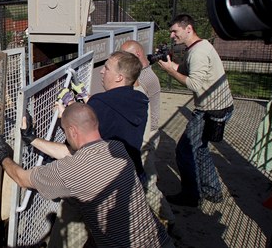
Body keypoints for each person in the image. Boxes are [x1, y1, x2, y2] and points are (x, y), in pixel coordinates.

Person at [0, 103, 173, 248]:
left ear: (72, 132)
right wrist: (33, 139)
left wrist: (4, 157)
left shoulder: (71, 171)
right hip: (160, 241)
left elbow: (22, 178)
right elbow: (74, 154)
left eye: (65, 131)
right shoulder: (117, 148)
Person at [158, 14, 234, 207]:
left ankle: (191, 195)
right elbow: (185, 69)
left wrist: (169, 71)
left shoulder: (198, 52)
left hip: (211, 110)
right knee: (200, 150)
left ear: (188, 29)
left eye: (175, 31)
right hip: (219, 106)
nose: (172, 35)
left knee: (184, 150)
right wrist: (169, 63)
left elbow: (194, 84)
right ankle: (212, 191)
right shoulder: (198, 47)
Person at [120, 40, 175, 227]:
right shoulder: (145, 72)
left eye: (124, 56)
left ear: (136, 57)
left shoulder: (142, 80)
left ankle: (167, 219)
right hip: (149, 132)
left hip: (145, 136)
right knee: (145, 178)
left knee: (147, 183)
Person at [87, 50, 149, 180]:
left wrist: (67, 114)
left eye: (107, 68)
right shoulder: (140, 100)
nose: (101, 71)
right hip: (133, 174)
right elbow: (115, 108)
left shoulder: (99, 103)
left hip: (106, 179)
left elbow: (78, 142)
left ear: (119, 77)